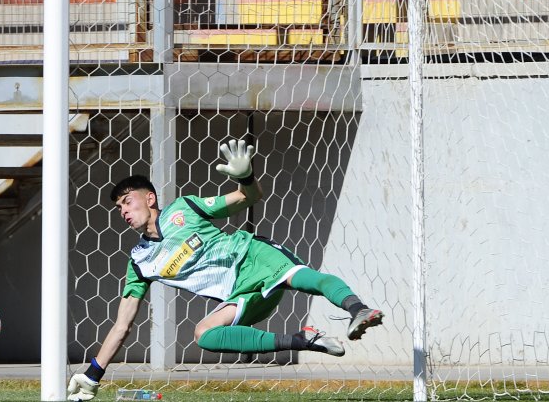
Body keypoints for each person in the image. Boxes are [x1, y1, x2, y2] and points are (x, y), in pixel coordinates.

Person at [67, 139, 384, 401]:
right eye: (119, 207)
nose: (123, 210)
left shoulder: (184, 208)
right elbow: (122, 325)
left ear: (149, 198)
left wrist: (245, 177)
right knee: (204, 334)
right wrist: (93, 375)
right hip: (239, 292)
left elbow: (250, 197)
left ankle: (358, 309)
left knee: (302, 278)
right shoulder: (139, 261)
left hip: (253, 256)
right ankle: (303, 340)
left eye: (127, 201)